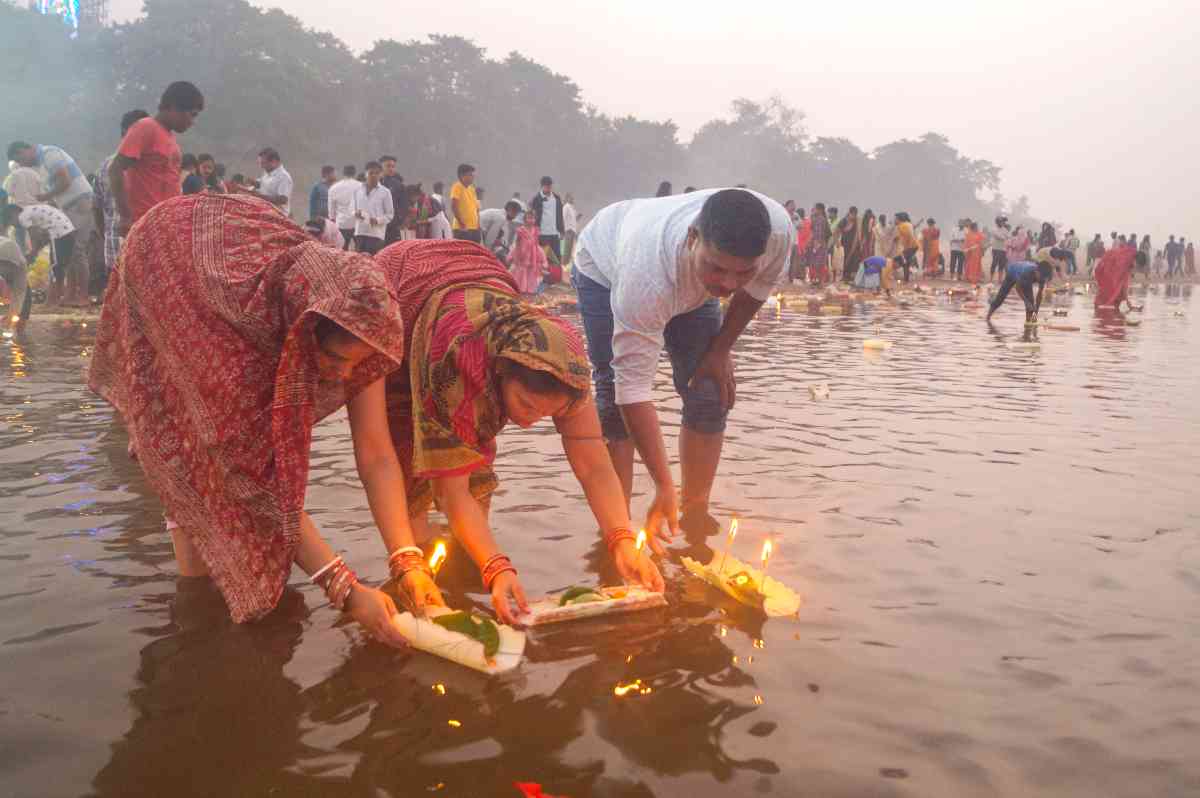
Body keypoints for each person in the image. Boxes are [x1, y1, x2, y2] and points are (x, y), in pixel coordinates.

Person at [87, 192, 443, 640]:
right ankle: (198, 627)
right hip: (167, 265)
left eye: (357, 365)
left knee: (226, 477)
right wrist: (347, 590)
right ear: (302, 330)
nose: (345, 375)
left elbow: (376, 452)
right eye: (335, 360)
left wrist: (406, 560)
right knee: (193, 450)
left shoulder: (361, 315)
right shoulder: (233, 360)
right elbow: (253, 480)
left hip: (233, 245)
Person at [370, 240, 663, 623]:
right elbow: (450, 489)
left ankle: (461, 577)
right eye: (525, 406)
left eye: (549, 413)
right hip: (407, 307)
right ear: (501, 372)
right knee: (412, 465)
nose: (530, 422)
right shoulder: (457, 367)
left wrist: (622, 540)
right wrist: (496, 566)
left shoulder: (564, 364)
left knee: (473, 480)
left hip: (471, 285)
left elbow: (593, 462)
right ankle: (416, 580)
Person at [573, 188, 792, 540]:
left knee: (708, 391)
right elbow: (632, 390)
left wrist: (720, 351)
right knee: (614, 398)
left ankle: (694, 517)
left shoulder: (777, 232)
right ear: (693, 238)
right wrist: (662, 484)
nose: (728, 284)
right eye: (717, 268)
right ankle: (616, 530)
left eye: (742, 272)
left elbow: (757, 290)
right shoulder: (645, 279)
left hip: (685, 287)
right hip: (605, 264)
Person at [7, 136, 94, 306]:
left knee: (76, 250)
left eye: (20, 159)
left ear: (25, 150)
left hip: (79, 202)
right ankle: (69, 295)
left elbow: (65, 180)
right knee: (67, 254)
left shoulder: (49, 153)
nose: (22, 164)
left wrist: (44, 197)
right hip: (66, 206)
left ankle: (82, 296)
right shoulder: (38, 166)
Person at [109, 82, 204, 238]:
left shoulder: (169, 137)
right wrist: (125, 217)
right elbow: (115, 169)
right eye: (191, 114)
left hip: (165, 224)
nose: (192, 122)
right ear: (174, 107)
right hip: (146, 225)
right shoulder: (146, 127)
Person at [93, 110, 150, 282]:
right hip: (136, 247)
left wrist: (105, 235)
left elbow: (96, 206)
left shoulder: (105, 165)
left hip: (115, 247)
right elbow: (96, 206)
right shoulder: (152, 164)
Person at [5, 202, 76, 306]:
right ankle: (62, 297)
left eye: (12, 223)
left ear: (13, 213)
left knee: (55, 267)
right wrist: (34, 252)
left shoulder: (22, 216)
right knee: (62, 266)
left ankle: (52, 300)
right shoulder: (32, 211)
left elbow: (34, 235)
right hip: (67, 230)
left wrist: (33, 252)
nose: (15, 226)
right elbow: (42, 239)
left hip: (59, 232)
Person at [986, 257, 1053, 325]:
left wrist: (1036, 312)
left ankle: (1028, 323)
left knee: (1031, 302)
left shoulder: (1043, 276)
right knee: (1000, 298)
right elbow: (1018, 288)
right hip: (1011, 273)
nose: (1042, 279)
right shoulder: (1027, 273)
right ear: (1036, 272)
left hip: (1023, 274)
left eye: (1044, 278)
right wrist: (1026, 302)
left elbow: (1039, 295)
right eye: (1041, 277)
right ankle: (988, 317)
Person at [351, 161, 393, 256]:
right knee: (359, 263)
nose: (373, 175)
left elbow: (390, 215)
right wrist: (355, 213)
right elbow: (351, 209)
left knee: (374, 263)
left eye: (377, 173)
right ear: (366, 174)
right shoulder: (357, 190)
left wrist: (377, 220)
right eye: (371, 173)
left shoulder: (385, 192)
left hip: (376, 234)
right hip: (360, 232)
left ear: (381, 175)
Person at [242, 148, 293, 217]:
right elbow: (266, 186)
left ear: (274, 161)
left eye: (263, 163)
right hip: (265, 210)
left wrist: (259, 196)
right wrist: (253, 182)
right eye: (260, 163)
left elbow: (282, 199)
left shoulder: (284, 177)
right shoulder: (267, 173)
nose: (261, 166)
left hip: (277, 215)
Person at [509, 207, 548, 294]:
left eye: (533, 218)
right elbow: (518, 243)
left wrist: (538, 255)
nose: (531, 220)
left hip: (533, 253)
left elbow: (536, 243)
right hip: (522, 252)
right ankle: (520, 288)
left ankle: (529, 290)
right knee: (521, 270)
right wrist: (517, 254)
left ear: (535, 219)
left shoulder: (536, 230)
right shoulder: (521, 230)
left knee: (531, 271)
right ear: (525, 219)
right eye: (529, 218)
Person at [1093, 244, 1143, 311]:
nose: (1137, 268)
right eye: (1138, 265)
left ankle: (1113, 311)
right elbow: (1121, 283)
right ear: (1136, 260)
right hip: (1108, 268)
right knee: (1111, 289)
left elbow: (1124, 283)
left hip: (1110, 267)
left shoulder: (1129, 258)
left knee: (1118, 292)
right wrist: (1128, 302)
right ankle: (1099, 308)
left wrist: (1128, 303)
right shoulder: (1124, 261)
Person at [529, 176, 564, 261]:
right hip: (542, 233)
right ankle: (543, 274)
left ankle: (556, 273)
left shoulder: (556, 198)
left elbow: (559, 215)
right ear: (542, 186)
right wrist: (532, 230)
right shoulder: (536, 199)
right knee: (543, 257)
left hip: (555, 233)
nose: (548, 188)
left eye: (550, 186)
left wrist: (562, 230)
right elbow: (532, 216)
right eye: (546, 186)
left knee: (556, 257)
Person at [326, 165, 359, 250]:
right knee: (360, 249)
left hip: (341, 224)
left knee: (342, 250)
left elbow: (331, 210)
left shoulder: (333, 188)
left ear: (343, 173)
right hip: (358, 223)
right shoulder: (361, 186)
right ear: (354, 173)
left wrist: (332, 220)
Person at [0, 234, 29, 327]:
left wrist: (13, 314)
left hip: (17, 267)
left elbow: (19, 291)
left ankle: (22, 319)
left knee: (25, 290)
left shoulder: (20, 266)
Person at [379, 157, 408, 244]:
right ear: (381, 167)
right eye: (388, 166)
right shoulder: (375, 183)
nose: (391, 169)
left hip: (393, 225)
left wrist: (400, 220)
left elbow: (404, 205)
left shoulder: (398, 185)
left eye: (393, 166)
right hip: (377, 224)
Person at [450, 164, 481, 243]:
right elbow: (454, 206)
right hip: (462, 228)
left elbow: (476, 209)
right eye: (470, 175)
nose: (473, 177)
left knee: (474, 253)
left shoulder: (472, 189)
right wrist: (461, 223)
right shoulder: (457, 186)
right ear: (462, 175)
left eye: (473, 175)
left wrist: (478, 225)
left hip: (474, 228)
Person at [802, 203, 831, 284]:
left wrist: (815, 246)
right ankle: (819, 281)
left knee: (817, 264)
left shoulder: (819, 219)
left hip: (818, 245)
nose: (813, 211)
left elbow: (818, 234)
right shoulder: (820, 219)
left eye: (814, 209)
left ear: (820, 210)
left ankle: (818, 282)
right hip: (820, 244)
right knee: (819, 264)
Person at [836, 206, 862, 284]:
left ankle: (852, 279)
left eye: (855, 214)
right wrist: (837, 241)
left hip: (855, 246)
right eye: (852, 214)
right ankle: (845, 277)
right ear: (849, 213)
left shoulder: (857, 221)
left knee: (854, 262)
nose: (853, 216)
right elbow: (836, 231)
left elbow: (859, 233)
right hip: (845, 245)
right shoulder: (844, 221)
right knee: (845, 261)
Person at [895, 212, 919, 282]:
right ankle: (906, 277)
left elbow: (907, 235)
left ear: (899, 219)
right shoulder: (908, 224)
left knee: (905, 262)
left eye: (896, 219)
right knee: (905, 262)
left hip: (910, 246)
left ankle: (906, 279)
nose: (895, 220)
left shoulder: (901, 225)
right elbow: (906, 235)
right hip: (914, 246)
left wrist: (905, 248)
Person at [988, 217, 1010, 281]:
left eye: (1002, 222)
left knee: (1001, 265)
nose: (1002, 223)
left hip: (1003, 249)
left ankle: (999, 279)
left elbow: (1008, 237)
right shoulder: (994, 229)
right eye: (1000, 222)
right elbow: (999, 237)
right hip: (996, 248)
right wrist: (1004, 237)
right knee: (994, 263)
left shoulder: (1005, 229)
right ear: (997, 222)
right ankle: (991, 279)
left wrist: (1004, 237)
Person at [562, 193, 579, 266]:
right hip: (568, 229)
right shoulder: (566, 206)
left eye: (572, 198)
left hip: (573, 230)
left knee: (570, 248)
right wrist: (563, 229)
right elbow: (563, 217)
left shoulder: (572, 208)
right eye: (570, 198)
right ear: (567, 198)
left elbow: (574, 220)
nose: (572, 199)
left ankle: (567, 263)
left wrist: (578, 217)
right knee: (567, 248)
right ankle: (564, 264)